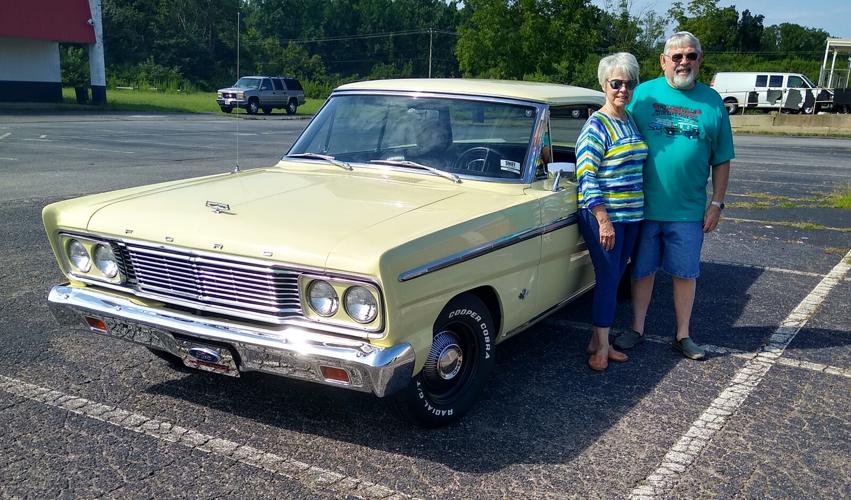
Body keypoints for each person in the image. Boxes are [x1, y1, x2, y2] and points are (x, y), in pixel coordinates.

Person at [614, 32, 734, 359]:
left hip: (688, 211)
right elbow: (614, 123)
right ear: (663, 61)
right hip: (642, 207)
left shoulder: (712, 102)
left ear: (700, 59)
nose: (684, 62)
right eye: (677, 56)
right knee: (642, 271)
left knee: (685, 273)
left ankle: (683, 335)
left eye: (691, 56)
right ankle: (637, 328)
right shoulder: (643, 95)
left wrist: (717, 203)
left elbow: (722, 158)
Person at [575, 52, 647, 371]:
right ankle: (602, 348)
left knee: (616, 277)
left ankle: (597, 341)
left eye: (629, 84)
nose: (623, 90)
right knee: (607, 279)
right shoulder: (597, 125)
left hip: (631, 215)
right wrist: (603, 219)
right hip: (604, 216)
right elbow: (586, 174)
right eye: (616, 83)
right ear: (604, 84)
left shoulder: (629, 120)